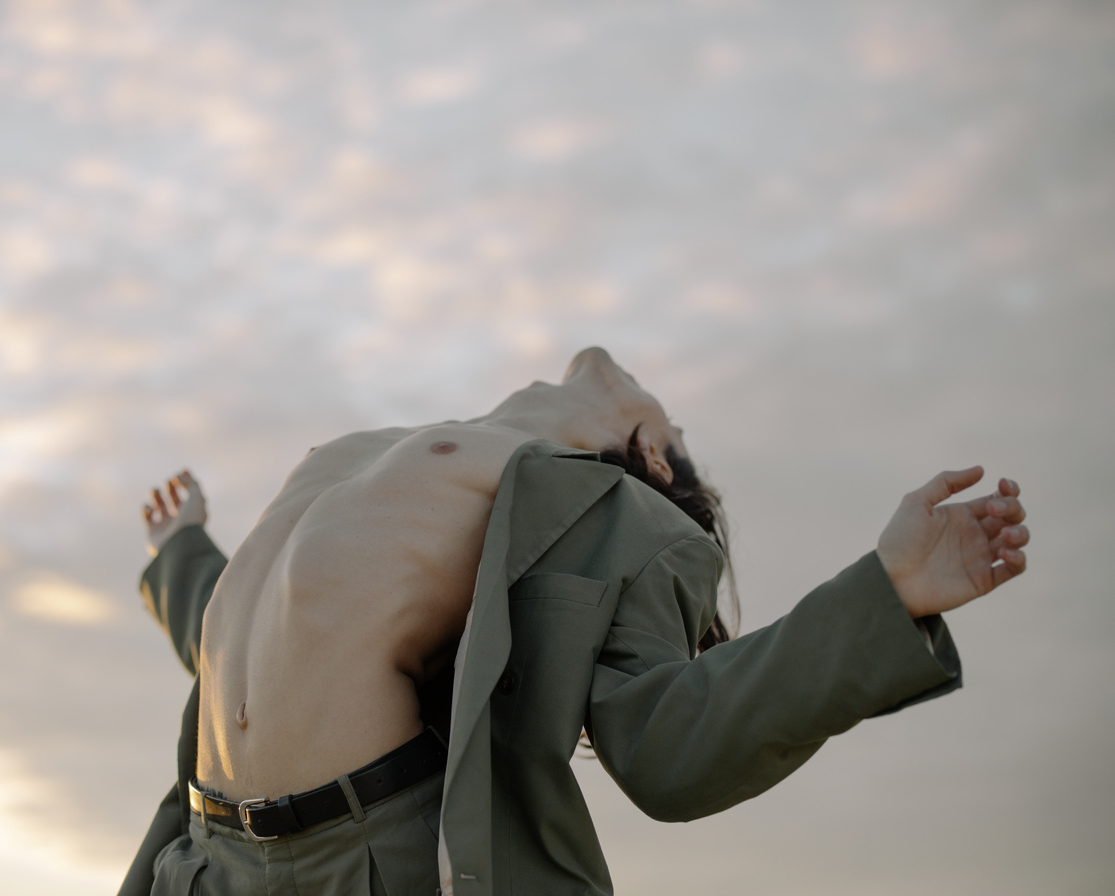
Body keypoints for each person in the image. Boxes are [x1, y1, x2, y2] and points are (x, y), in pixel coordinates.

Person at [118, 347, 1029, 896]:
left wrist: (886, 592)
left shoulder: (625, 515)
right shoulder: (373, 451)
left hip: (369, 865)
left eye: (674, 425)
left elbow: (670, 740)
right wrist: (182, 546)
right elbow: (242, 634)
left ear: (654, 457)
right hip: (208, 863)